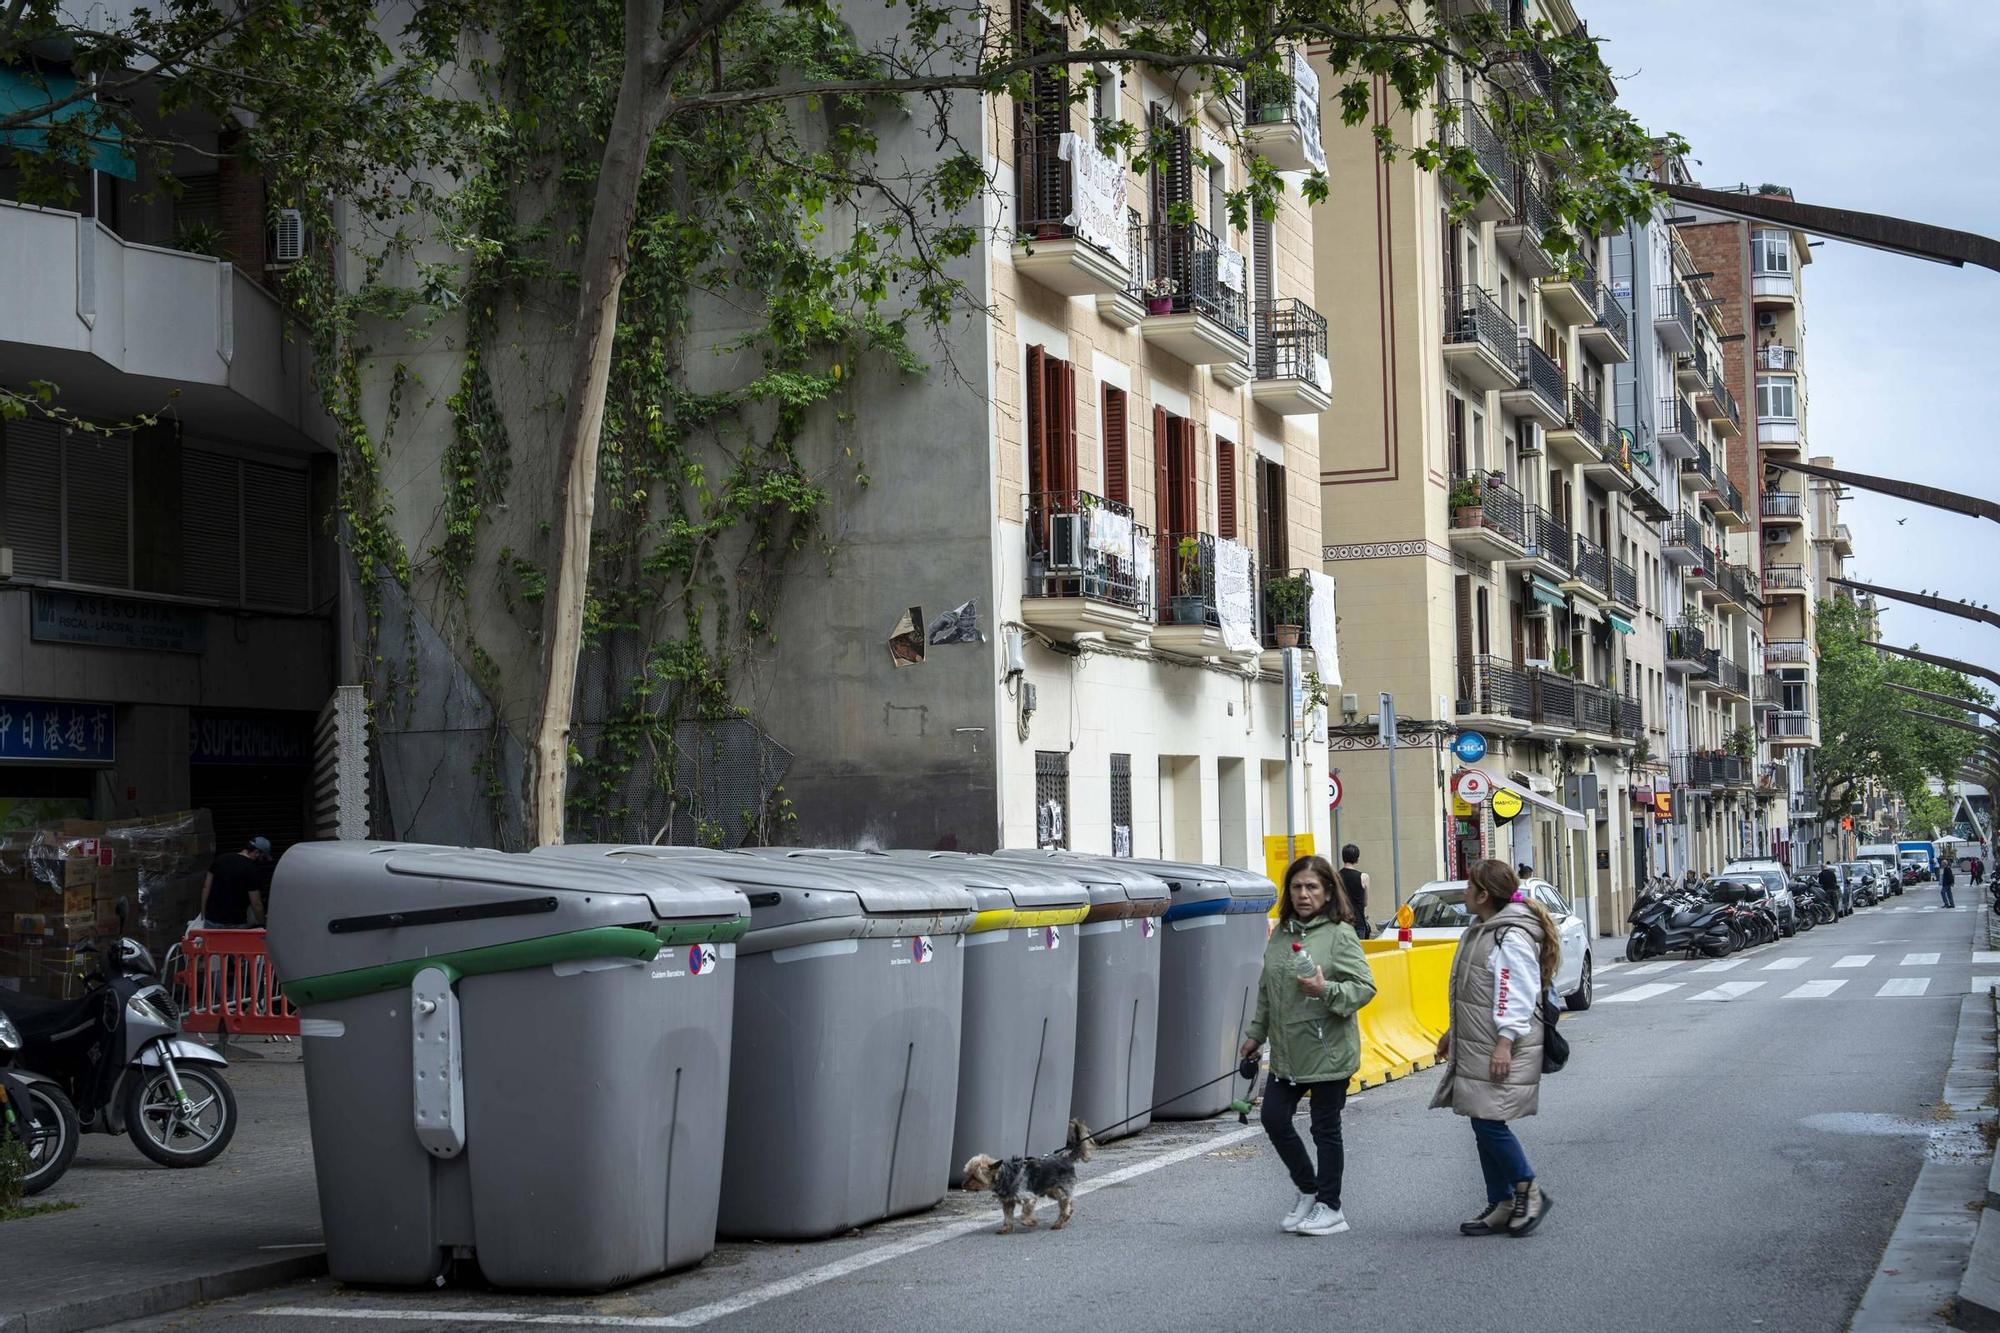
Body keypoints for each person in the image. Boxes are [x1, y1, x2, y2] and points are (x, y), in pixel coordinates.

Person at [1240, 854, 1377, 1238]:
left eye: (1312, 887)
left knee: (1324, 1129)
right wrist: (1255, 1034)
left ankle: (1331, 1207)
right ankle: (1308, 1189)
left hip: (1328, 1050)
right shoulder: (1282, 932)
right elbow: (1268, 991)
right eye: (1297, 887)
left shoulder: (1340, 934)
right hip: (1287, 1052)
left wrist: (1325, 990)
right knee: (1273, 1118)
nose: (1303, 894)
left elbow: (1364, 987)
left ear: (1328, 891)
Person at [1431, 860, 1560, 1238]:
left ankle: (1526, 1188)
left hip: (1497, 1045)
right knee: (1481, 1118)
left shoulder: (1509, 936)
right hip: (1478, 1040)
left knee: (1489, 1121)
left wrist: (1504, 1044)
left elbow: (1516, 994)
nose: (1465, 893)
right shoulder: (1484, 930)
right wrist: (1453, 1032)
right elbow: (1478, 992)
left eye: (1469, 887)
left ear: (1484, 895)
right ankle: (1502, 1201)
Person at [201, 836, 273, 928]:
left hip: (212, 921)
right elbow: (256, 903)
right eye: (263, 857)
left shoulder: (220, 859)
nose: (262, 861)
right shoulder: (251, 869)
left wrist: (203, 915)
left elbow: (206, 888)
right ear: (257, 853)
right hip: (236, 923)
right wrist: (262, 925)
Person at [1338, 844, 1372, 938]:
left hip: (1341, 923)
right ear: (1357, 859)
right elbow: (1365, 903)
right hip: (1358, 922)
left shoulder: (1335, 877)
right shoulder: (1364, 877)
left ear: (1343, 858)